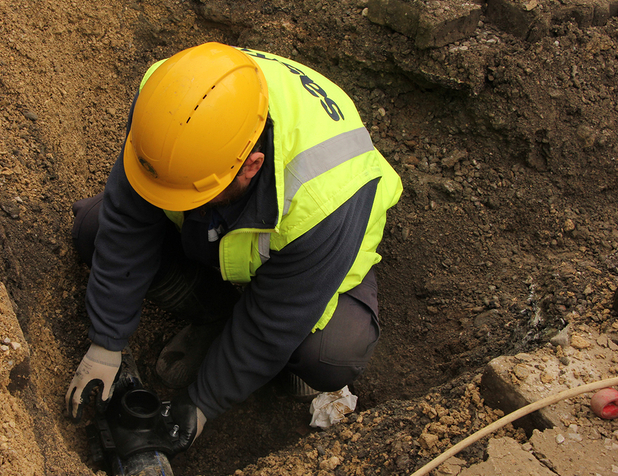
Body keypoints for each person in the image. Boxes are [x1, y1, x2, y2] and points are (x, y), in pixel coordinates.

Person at [65, 42, 403, 453]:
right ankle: (219, 316)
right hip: (225, 235)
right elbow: (129, 219)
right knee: (93, 230)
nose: (173, 204)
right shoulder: (168, 100)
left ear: (252, 165)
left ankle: (272, 358)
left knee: (330, 354)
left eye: (192, 193)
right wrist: (106, 341)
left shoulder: (327, 194)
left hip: (315, 259)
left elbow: (273, 322)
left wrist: (201, 403)